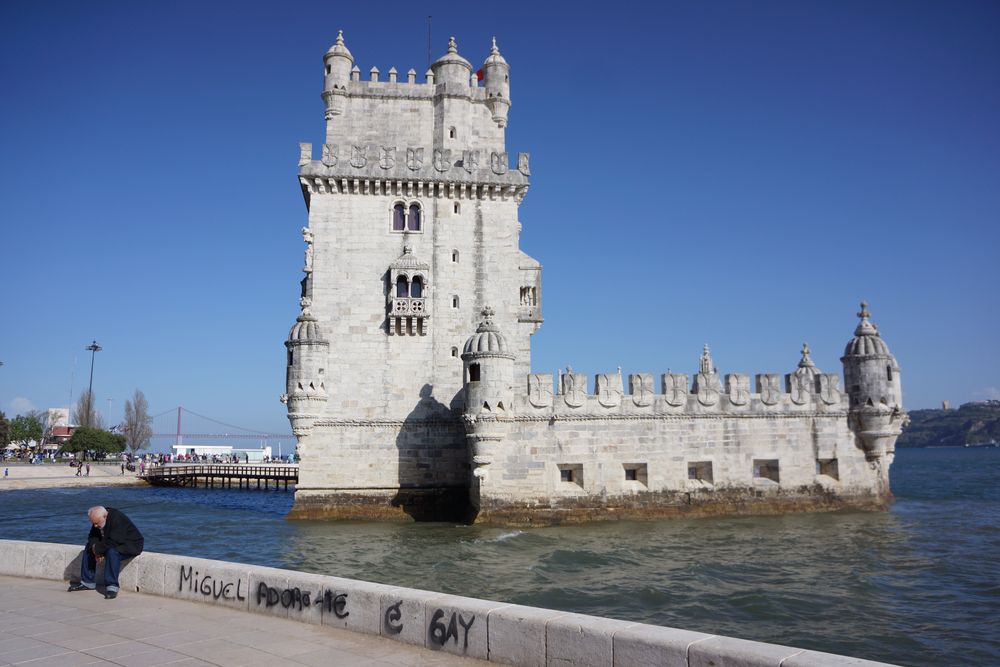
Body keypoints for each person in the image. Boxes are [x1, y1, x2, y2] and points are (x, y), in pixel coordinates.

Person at [67, 506, 144, 599]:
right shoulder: (98, 519)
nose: (95, 526)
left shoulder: (117, 518)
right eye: (93, 523)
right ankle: (88, 582)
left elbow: (115, 541)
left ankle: (112, 586)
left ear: (105, 516)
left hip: (130, 544)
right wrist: (95, 548)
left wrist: (99, 551)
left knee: (112, 552)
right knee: (89, 547)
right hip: (110, 542)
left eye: (96, 523)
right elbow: (92, 537)